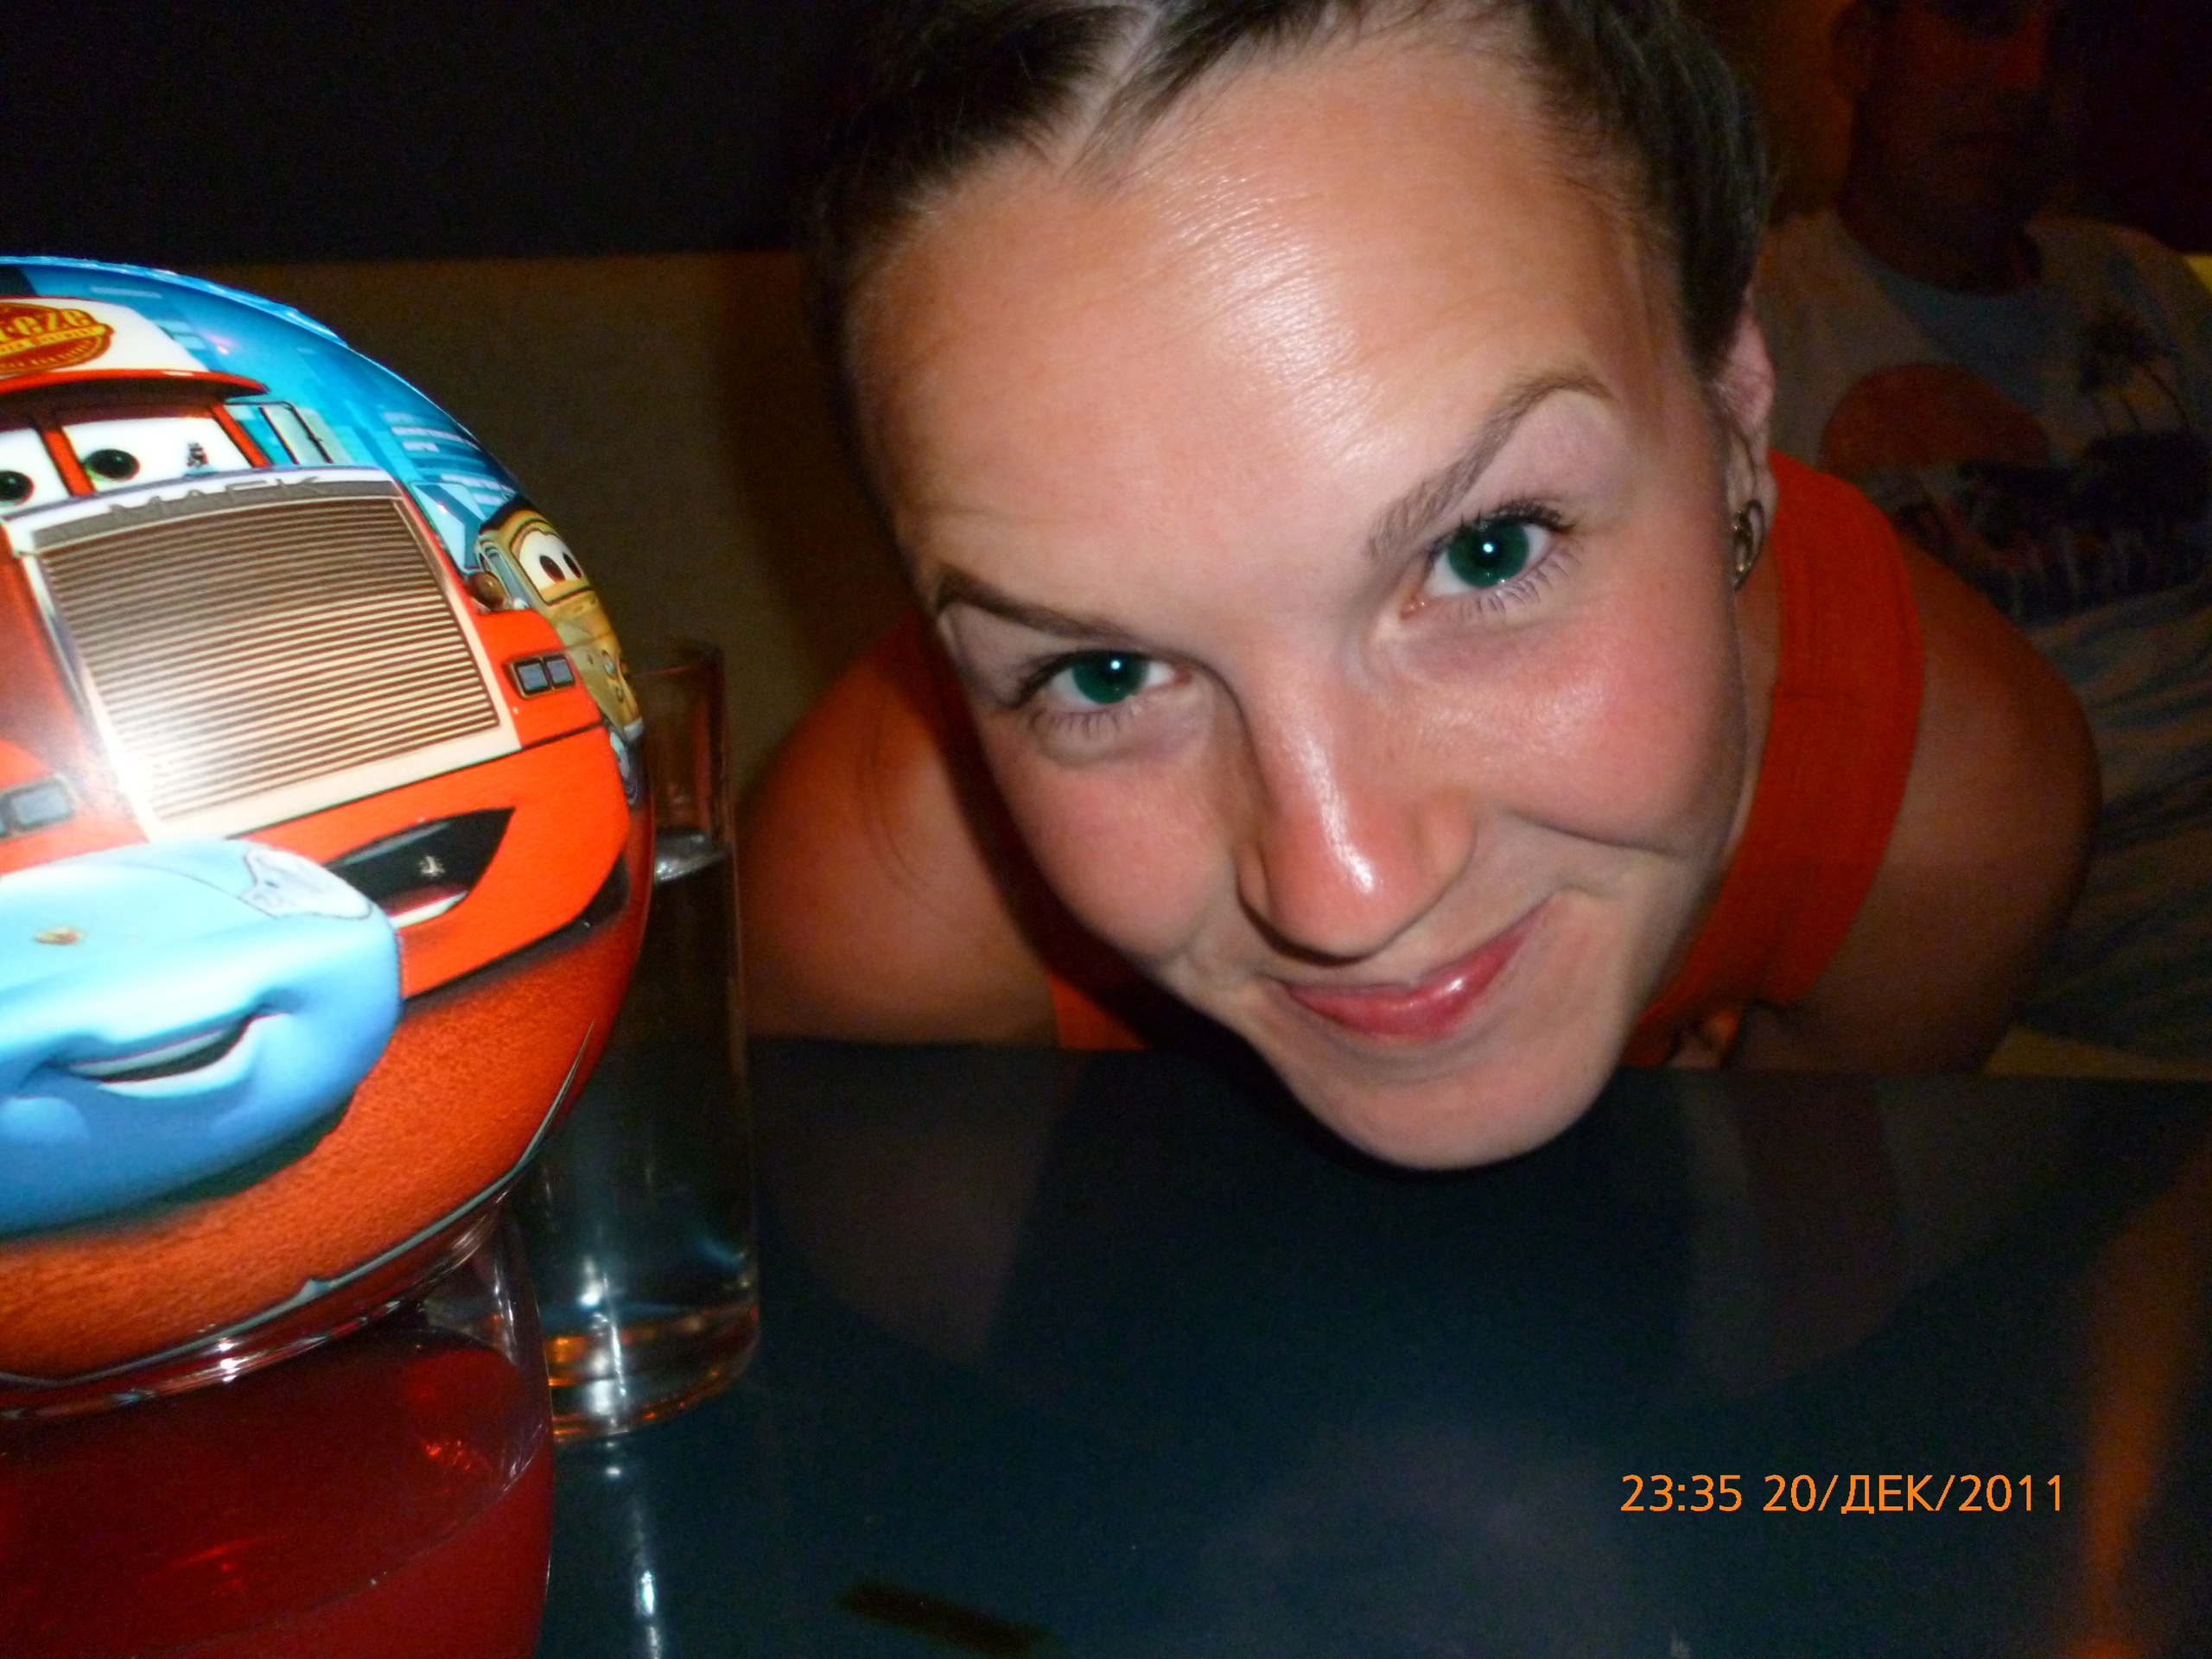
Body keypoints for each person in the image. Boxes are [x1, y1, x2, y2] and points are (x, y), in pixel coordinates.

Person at [741, 0, 2094, 1169]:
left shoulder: (1954, 809)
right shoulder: (872, 942)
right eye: (1103, 673)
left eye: (1484, 551)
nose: (1345, 896)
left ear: (1736, 402)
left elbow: (1794, 1315)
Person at [1758, 0, 2212, 1060]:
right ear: (1861, 51)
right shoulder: (1753, 319)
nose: (2027, 77)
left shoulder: (2143, 284)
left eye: (2073, 41)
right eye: (1980, 18)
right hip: (2048, 869)